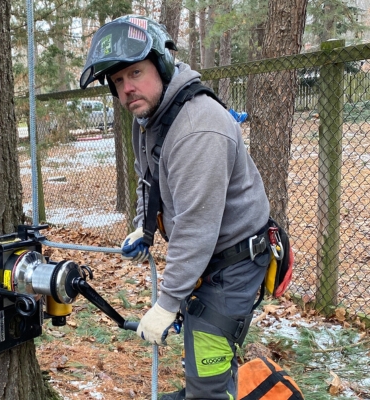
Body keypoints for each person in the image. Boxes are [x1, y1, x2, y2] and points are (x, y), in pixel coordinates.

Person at [80, 15, 271, 400]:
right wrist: (143, 227)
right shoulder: (148, 117)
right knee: (206, 362)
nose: (127, 88)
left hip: (233, 263)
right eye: (118, 81)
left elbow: (197, 227)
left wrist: (166, 304)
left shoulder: (198, 127)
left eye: (135, 72)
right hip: (207, 256)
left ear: (163, 65)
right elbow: (146, 178)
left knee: (207, 371)